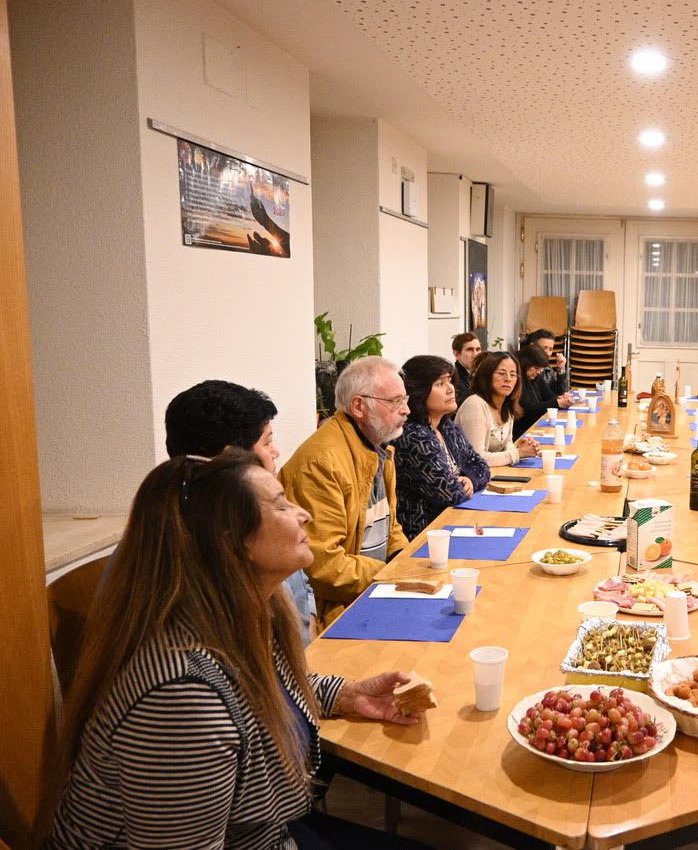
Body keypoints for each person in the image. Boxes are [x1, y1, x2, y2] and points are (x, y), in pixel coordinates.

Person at [45, 452, 429, 847]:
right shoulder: (181, 698)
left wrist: (347, 694)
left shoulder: (243, 614)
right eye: (281, 504)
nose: (303, 515)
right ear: (232, 540)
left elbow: (262, 687)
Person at [164, 379, 317, 645]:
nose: (275, 452)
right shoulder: (199, 549)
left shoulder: (259, 526)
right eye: (267, 443)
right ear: (231, 459)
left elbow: (302, 609)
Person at [280, 357, 411, 626]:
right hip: (340, 609)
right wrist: (393, 573)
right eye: (395, 401)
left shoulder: (376, 447)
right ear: (359, 406)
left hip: (374, 588)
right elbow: (323, 566)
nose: (406, 410)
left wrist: (405, 560)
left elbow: (390, 527)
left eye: (405, 400)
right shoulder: (321, 463)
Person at [393, 355, 492, 541]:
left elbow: (481, 465)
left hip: (454, 521)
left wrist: (470, 479)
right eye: (440, 384)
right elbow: (448, 493)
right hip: (424, 534)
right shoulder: (413, 436)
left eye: (450, 381)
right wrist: (463, 483)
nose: (450, 389)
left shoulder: (447, 426)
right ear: (419, 391)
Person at [454, 351, 540, 467]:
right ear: (486, 376)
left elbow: (506, 443)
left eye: (513, 374)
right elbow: (475, 458)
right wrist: (518, 453)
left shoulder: (507, 405)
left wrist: (518, 448)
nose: (508, 379)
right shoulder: (475, 405)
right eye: (501, 373)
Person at [514, 343, 571, 438]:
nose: (539, 372)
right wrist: (557, 403)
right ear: (524, 363)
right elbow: (527, 410)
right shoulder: (516, 380)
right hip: (523, 431)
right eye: (536, 368)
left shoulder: (536, 377)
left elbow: (549, 396)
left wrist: (560, 398)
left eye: (540, 369)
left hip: (538, 426)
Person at [525, 327, 572, 397]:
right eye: (544, 348)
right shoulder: (527, 369)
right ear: (532, 346)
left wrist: (561, 369)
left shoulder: (548, 369)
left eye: (550, 349)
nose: (547, 353)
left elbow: (561, 393)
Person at [451, 331, 483, 405]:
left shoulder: (475, 375)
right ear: (457, 354)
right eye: (470, 350)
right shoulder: (455, 378)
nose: (475, 354)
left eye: (478, 349)